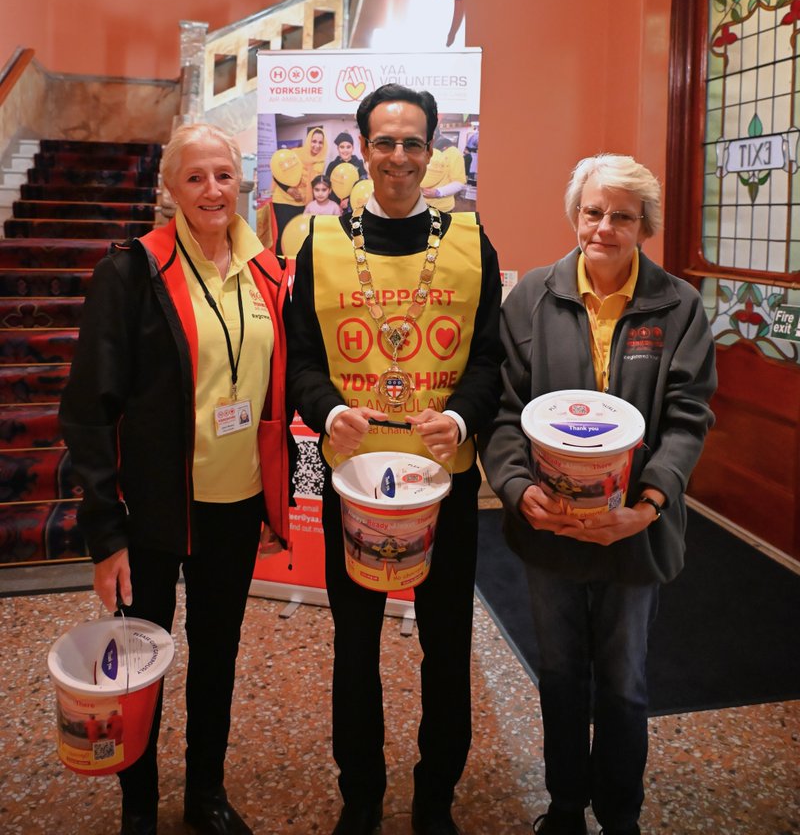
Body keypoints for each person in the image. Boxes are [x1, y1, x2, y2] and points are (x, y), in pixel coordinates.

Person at [59, 123, 295, 835]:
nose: (212, 190)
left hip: (236, 502)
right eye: (195, 177)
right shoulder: (131, 271)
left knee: (217, 657)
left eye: (223, 175)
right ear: (170, 188)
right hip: (153, 509)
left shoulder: (267, 269)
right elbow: (89, 410)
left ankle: (205, 794)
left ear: (241, 181)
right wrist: (106, 535)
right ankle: (138, 805)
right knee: (142, 659)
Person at [478, 154, 717, 835]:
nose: (604, 227)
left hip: (634, 532)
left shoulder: (679, 306)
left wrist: (647, 506)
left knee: (623, 682)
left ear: (644, 226)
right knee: (558, 675)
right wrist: (518, 489)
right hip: (548, 529)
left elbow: (687, 417)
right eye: (593, 211)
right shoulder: (531, 299)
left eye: (622, 215)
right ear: (574, 214)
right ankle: (563, 806)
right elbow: (503, 413)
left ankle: (620, 812)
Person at [288, 84, 503, 835]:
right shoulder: (318, 243)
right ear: (362, 149)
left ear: (433, 148)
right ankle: (362, 798)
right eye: (385, 142)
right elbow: (303, 362)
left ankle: (436, 798)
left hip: (444, 481)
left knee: (446, 649)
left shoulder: (474, 243)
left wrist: (463, 414)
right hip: (356, 480)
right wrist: (325, 409)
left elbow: (487, 358)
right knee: (356, 650)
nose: (400, 157)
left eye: (414, 142)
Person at [325, 131, 368, 211]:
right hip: (334, 207)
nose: (345, 150)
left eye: (348, 147)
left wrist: (348, 200)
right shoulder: (332, 165)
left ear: (353, 148)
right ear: (338, 148)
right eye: (342, 147)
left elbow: (362, 186)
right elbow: (327, 186)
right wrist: (335, 204)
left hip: (354, 206)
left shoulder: (360, 164)